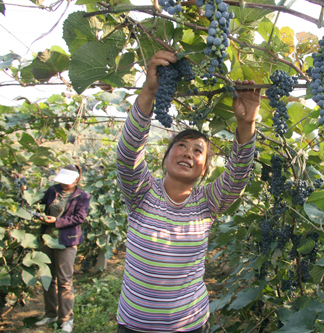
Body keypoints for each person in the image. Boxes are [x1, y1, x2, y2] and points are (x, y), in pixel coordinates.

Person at [116, 50, 261, 333]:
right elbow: (127, 154)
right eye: (180, 146)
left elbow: (239, 173)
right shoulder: (141, 192)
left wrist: (246, 124)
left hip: (190, 325)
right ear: (166, 157)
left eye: (198, 151)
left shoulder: (207, 202)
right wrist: (149, 92)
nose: (188, 153)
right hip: (134, 325)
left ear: (204, 169)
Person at [35, 165, 91, 333]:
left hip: (66, 242)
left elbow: (80, 217)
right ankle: (50, 314)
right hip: (47, 239)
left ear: (76, 180)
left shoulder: (82, 196)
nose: (64, 185)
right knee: (47, 278)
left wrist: (56, 221)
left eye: (67, 182)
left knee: (65, 281)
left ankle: (66, 319)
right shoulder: (52, 190)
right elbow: (38, 201)